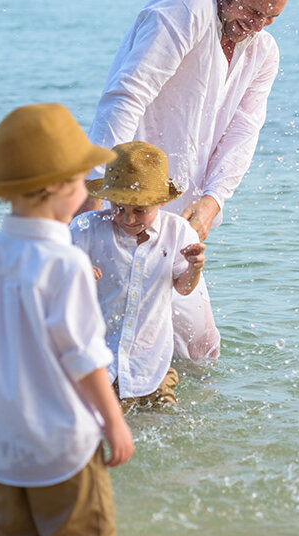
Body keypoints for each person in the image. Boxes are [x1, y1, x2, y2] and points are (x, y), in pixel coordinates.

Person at [0, 103, 134, 536]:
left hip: (3, 447)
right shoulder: (63, 261)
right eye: (82, 179)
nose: (88, 188)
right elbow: (83, 356)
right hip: (63, 446)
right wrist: (114, 422)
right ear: (58, 187)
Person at [85, 0, 295, 362]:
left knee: (199, 348)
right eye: (253, 11)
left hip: (176, 213)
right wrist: (98, 193)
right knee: (98, 338)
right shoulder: (189, 6)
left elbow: (243, 134)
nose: (256, 25)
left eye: (270, 17)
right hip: (118, 199)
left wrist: (212, 202)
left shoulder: (264, 53)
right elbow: (127, 95)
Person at [71, 141, 205, 410]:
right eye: (118, 208)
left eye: (140, 211)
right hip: (97, 362)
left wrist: (195, 267)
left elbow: (183, 287)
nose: (127, 219)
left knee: (168, 427)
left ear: (161, 201)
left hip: (151, 365)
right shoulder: (86, 229)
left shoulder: (178, 233)